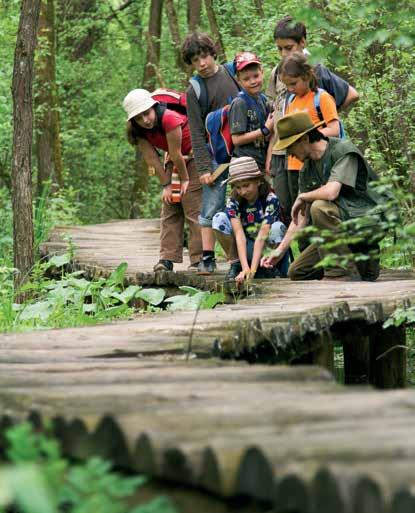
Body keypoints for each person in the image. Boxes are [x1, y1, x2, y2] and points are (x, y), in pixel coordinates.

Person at [261, 112, 384, 282]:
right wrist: (279, 251)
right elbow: (301, 216)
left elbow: (331, 191)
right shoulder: (307, 168)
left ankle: (340, 272)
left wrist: (304, 196)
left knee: (319, 207)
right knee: (297, 272)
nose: (290, 154)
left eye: (290, 147)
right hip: (341, 228)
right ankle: (360, 262)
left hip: (368, 222)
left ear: (304, 139)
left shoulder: (343, 150)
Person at [265, 16, 359, 221]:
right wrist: (272, 149)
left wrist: (319, 127)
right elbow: (277, 112)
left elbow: (351, 94)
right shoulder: (277, 72)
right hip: (285, 151)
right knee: (288, 210)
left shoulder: (314, 69)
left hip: (310, 150)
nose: (283, 54)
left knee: (312, 210)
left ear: (302, 43)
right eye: (279, 49)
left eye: (288, 48)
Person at [123, 88, 202, 272]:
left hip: (194, 155)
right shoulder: (138, 131)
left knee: (192, 205)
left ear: (153, 107)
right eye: (139, 117)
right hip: (174, 159)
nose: (145, 120)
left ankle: (198, 259)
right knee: (170, 207)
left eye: (147, 113)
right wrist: (166, 185)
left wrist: (184, 180)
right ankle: (167, 258)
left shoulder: (169, 118)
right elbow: (152, 159)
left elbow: (177, 153)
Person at [182, 32, 240, 275]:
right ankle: (207, 257)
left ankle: (242, 256)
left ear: (213, 54)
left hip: (242, 148)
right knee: (211, 204)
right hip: (215, 154)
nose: (202, 64)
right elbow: (195, 132)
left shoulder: (230, 73)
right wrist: (204, 168)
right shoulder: (194, 90)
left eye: (204, 57)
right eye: (195, 60)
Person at [267, 52, 340, 225]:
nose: (290, 89)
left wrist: (310, 136)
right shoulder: (292, 101)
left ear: (307, 76)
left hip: (315, 166)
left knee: (315, 211)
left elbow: (334, 129)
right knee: (298, 212)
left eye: (293, 83)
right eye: (287, 85)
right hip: (293, 165)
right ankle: (303, 248)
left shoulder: (321, 98)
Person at [212, 156, 289, 284]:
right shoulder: (233, 201)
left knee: (277, 228)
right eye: (238, 187)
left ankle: (269, 266)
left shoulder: (271, 199)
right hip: (246, 246)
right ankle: (235, 265)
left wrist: (251, 271)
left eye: (246, 185)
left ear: (258, 181)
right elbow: (239, 235)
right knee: (218, 219)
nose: (242, 191)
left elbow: (262, 236)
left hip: (266, 246)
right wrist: (245, 268)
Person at [228, 52, 274, 172]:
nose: (253, 81)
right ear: (238, 80)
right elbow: (236, 139)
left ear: (262, 72)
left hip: (261, 161)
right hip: (244, 163)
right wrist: (264, 130)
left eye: (256, 76)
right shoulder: (240, 103)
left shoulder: (263, 99)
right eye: (246, 79)